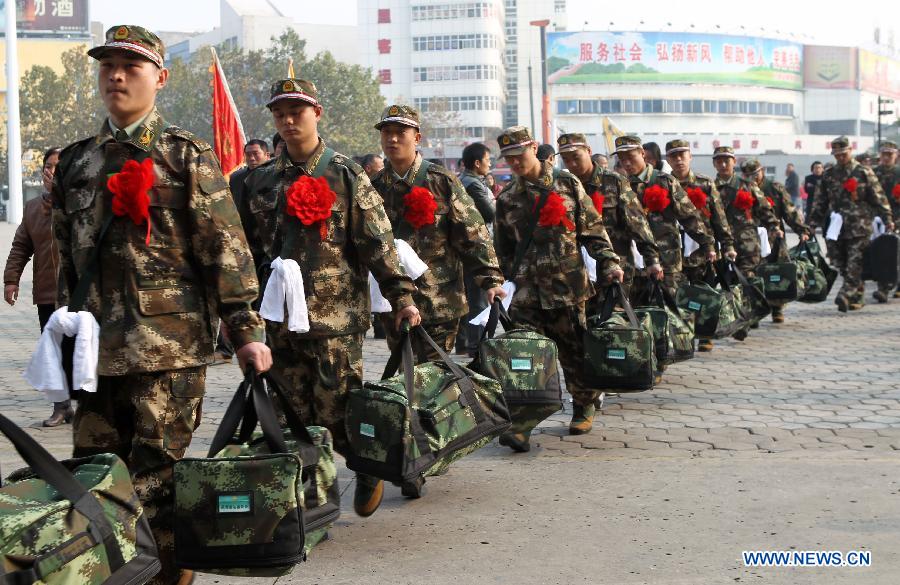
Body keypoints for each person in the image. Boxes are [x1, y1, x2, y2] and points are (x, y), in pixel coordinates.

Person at [53, 26, 271, 585]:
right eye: (108, 66)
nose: (116, 75)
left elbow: (225, 249)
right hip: (96, 356)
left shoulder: (185, 156)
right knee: (94, 477)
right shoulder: (77, 164)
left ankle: (168, 573)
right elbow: (68, 262)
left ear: (160, 77)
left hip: (167, 351)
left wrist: (247, 332)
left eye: (131, 65)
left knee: (158, 481)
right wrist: (61, 337)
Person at [241, 81, 421, 517]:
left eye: (296, 111)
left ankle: (367, 467)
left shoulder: (344, 172)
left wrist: (402, 298)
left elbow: (377, 241)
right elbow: (245, 250)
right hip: (279, 319)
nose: (287, 121)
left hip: (335, 319)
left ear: (316, 113)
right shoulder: (258, 180)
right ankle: (309, 503)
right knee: (290, 417)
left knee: (339, 411)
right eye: (280, 113)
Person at [494, 126, 622, 441]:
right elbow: (502, 250)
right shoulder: (508, 198)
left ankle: (583, 406)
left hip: (568, 287)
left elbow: (592, 230)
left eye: (519, 155)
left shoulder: (566, 184)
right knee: (526, 357)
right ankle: (523, 422)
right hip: (527, 293)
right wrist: (497, 281)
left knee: (573, 352)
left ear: (534, 148)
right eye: (508, 159)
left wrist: (609, 261)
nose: (514, 164)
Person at [370, 105, 505, 365]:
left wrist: (490, 280)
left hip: (439, 300)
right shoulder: (373, 187)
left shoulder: (441, 181)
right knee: (405, 373)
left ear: (417, 137)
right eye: (387, 132)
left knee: (434, 376)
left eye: (401, 132)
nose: (392, 139)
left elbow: (473, 234)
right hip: (395, 302)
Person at [5, 147, 69, 426]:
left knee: (82, 352)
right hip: (47, 295)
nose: (50, 171)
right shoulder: (33, 209)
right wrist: (10, 280)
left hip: (81, 294)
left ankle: (93, 410)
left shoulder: (80, 206)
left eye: (56, 166)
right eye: (47, 166)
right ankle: (61, 406)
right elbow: (20, 246)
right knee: (52, 353)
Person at [557, 132, 660, 301]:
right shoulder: (562, 186)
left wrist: (652, 260)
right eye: (566, 159)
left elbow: (637, 223)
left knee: (614, 322)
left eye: (576, 157)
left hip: (614, 267)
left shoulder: (614, 181)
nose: (572, 163)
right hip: (575, 273)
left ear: (588, 151)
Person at [616, 135, 714, 301]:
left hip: (666, 257)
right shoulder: (620, 185)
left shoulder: (664, 181)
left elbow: (689, 216)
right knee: (641, 310)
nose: (626, 163)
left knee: (673, 305)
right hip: (635, 262)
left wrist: (707, 244)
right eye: (622, 159)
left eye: (631, 157)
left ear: (642, 153)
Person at [808, 136, 894, 312]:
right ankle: (857, 294)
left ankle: (845, 293)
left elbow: (879, 198)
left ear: (850, 151)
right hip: (836, 227)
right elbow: (820, 202)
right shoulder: (829, 174)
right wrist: (812, 224)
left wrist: (887, 219)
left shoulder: (863, 172)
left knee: (855, 261)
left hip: (859, 225)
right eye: (837, 154)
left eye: (843, 154)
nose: (840, 157)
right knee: (841, 263)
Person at [665, 139, 736, 352]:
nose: (679, 160)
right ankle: (682, 338)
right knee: (675, 295)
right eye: (673, 156)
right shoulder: (662, 183)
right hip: (672, 251)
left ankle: (705, 333)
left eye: (682, 155)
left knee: (702, 293)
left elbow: (719, 217)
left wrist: (728, 245)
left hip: (701, 250)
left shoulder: (704, 183)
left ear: (690, 156)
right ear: (667, 160)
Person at [713, 147, 781, 338]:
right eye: (719, 161)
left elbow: (764, 209)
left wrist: (774, 226)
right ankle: (737, 319)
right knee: (730, 283)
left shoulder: (747, 185)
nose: (723, 164)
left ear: (734, 162)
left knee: (747, 279)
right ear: (714, 164)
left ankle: (745, 321)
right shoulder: (710, 187)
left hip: (747, 243)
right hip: (722, 244)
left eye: (727, 160)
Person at [216, 138, 271, 364]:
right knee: (239, 299)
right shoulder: (237, 178)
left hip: (266, 250)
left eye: (256, 153)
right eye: (248, 153)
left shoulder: (272, 176)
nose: (251, 157)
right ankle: (228, 348)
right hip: (241, 247)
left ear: (266, 155)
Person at [742, 158, 810, 323]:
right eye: (749, 175)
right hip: (750, 241)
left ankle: (777, 307)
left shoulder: (774, 188)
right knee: (752, 275)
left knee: (776, 273)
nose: (753, 178)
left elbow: (789, 212)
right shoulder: (741, 189)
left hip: (774, 238)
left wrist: (801, 230)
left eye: (755, 174)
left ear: (762, 171)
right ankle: (755, 311)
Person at [456, 141, 498, 356]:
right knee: (479, 299)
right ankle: (476, 345)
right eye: (488, 160)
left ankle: (465, 342)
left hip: (468, 244)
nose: (489, 165)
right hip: (476, 244)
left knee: (468, 298)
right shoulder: (471, 183)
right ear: (477, 162)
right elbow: (489, 213)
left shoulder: (469, 180)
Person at [873, 141, 900, 301]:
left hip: (898, 217)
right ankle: (883, 288)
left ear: (896, 155)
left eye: (890, 154)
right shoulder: (873, 173)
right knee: (881, 252)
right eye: (884, 154)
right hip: (878, 219)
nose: (887, 157)